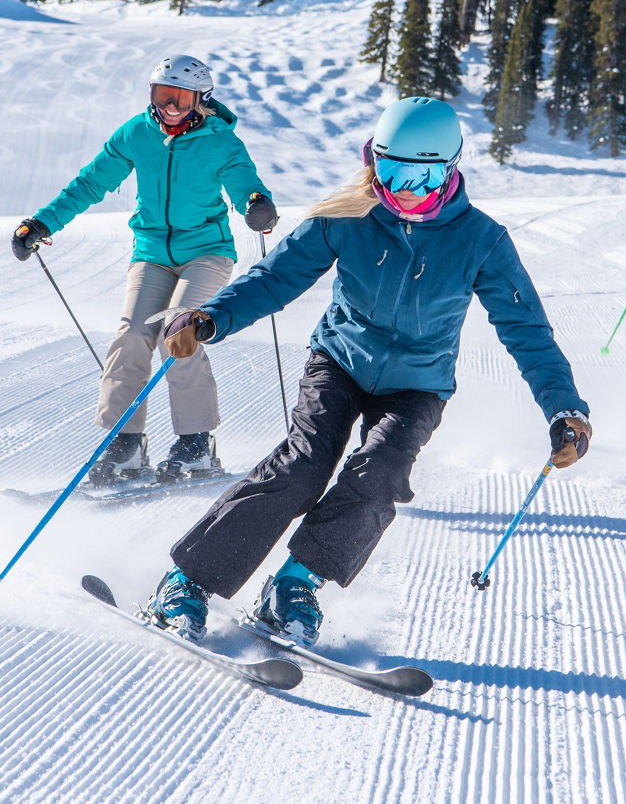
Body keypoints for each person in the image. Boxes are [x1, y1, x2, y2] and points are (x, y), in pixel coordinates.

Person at [140, 96, 592, 645]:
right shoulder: (349, 215)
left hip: (418, 385)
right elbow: (276, 277)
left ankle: (295, 583)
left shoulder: (482, 240)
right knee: (304, 466)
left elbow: (527, 330)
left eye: (420, 174)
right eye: (390, 167)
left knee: (380, 476)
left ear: (449, 170)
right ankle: (186, 580)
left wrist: (563, 407)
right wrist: (212, 316)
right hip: (341, 360)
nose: (402, 186)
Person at [11, 55, 278, 483]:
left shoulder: (220, 140)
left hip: (207, 253)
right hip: (152, 252)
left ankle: (196, 443)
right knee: (133, 333)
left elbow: (246, 183)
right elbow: (90, 183)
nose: (170, 107)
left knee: (179, 330)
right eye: (162, 95)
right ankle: (126, 444)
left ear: (200, 100)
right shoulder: (137, 133)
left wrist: (257, 205)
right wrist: (43, 222)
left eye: (181, 98)